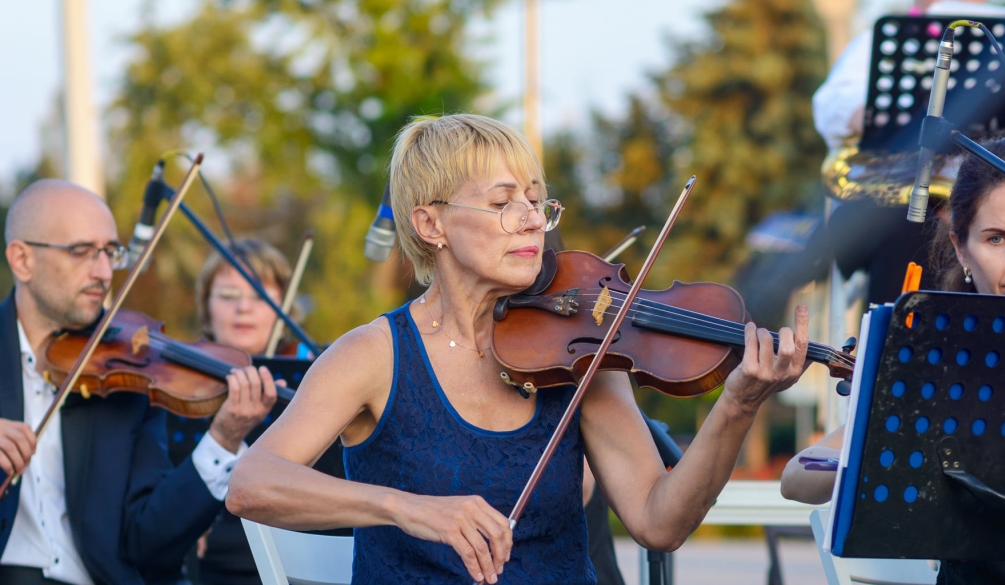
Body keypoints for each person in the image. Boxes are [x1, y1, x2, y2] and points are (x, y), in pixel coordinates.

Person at [226, 113, 812, 584]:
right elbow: (252, 483)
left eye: (537, 200)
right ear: (431, 225)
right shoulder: (374, 355)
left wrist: (736, 407)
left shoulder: (583, 355)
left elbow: (660, 522)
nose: (533, 219)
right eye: (504, 201)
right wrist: (404, 507)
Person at [780, 135, 1005, 584]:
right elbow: (795, 477)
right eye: (997, 239)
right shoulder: (938, 360)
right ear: (961, 247)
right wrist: (890, 446)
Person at [0, 180, 280, 585]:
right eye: (81, 252)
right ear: (22, 260)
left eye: (110, 252)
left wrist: (222, 439)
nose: (103, 273)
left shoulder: (124, 374)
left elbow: (150, 545)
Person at [177, 239, 291, 585]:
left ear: (283, 308)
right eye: (227, 296)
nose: (243, 308)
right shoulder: (176, 382)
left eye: (259, 296)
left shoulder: (313, 375)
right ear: (206, 307)